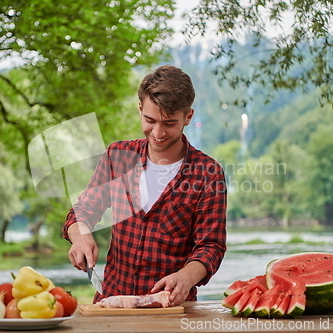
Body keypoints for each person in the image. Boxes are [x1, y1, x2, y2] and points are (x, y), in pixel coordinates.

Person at [62, 64, 227, 306]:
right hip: (111, 303)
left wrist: (185, 277)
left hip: (172, 309)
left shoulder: (208, 173)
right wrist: (81, 236)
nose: (158, 132)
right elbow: (82, 212)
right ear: (140, 108)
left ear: (188, 117)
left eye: (169, 123)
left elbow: (211, 246)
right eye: (150, 120)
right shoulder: (117, 156)